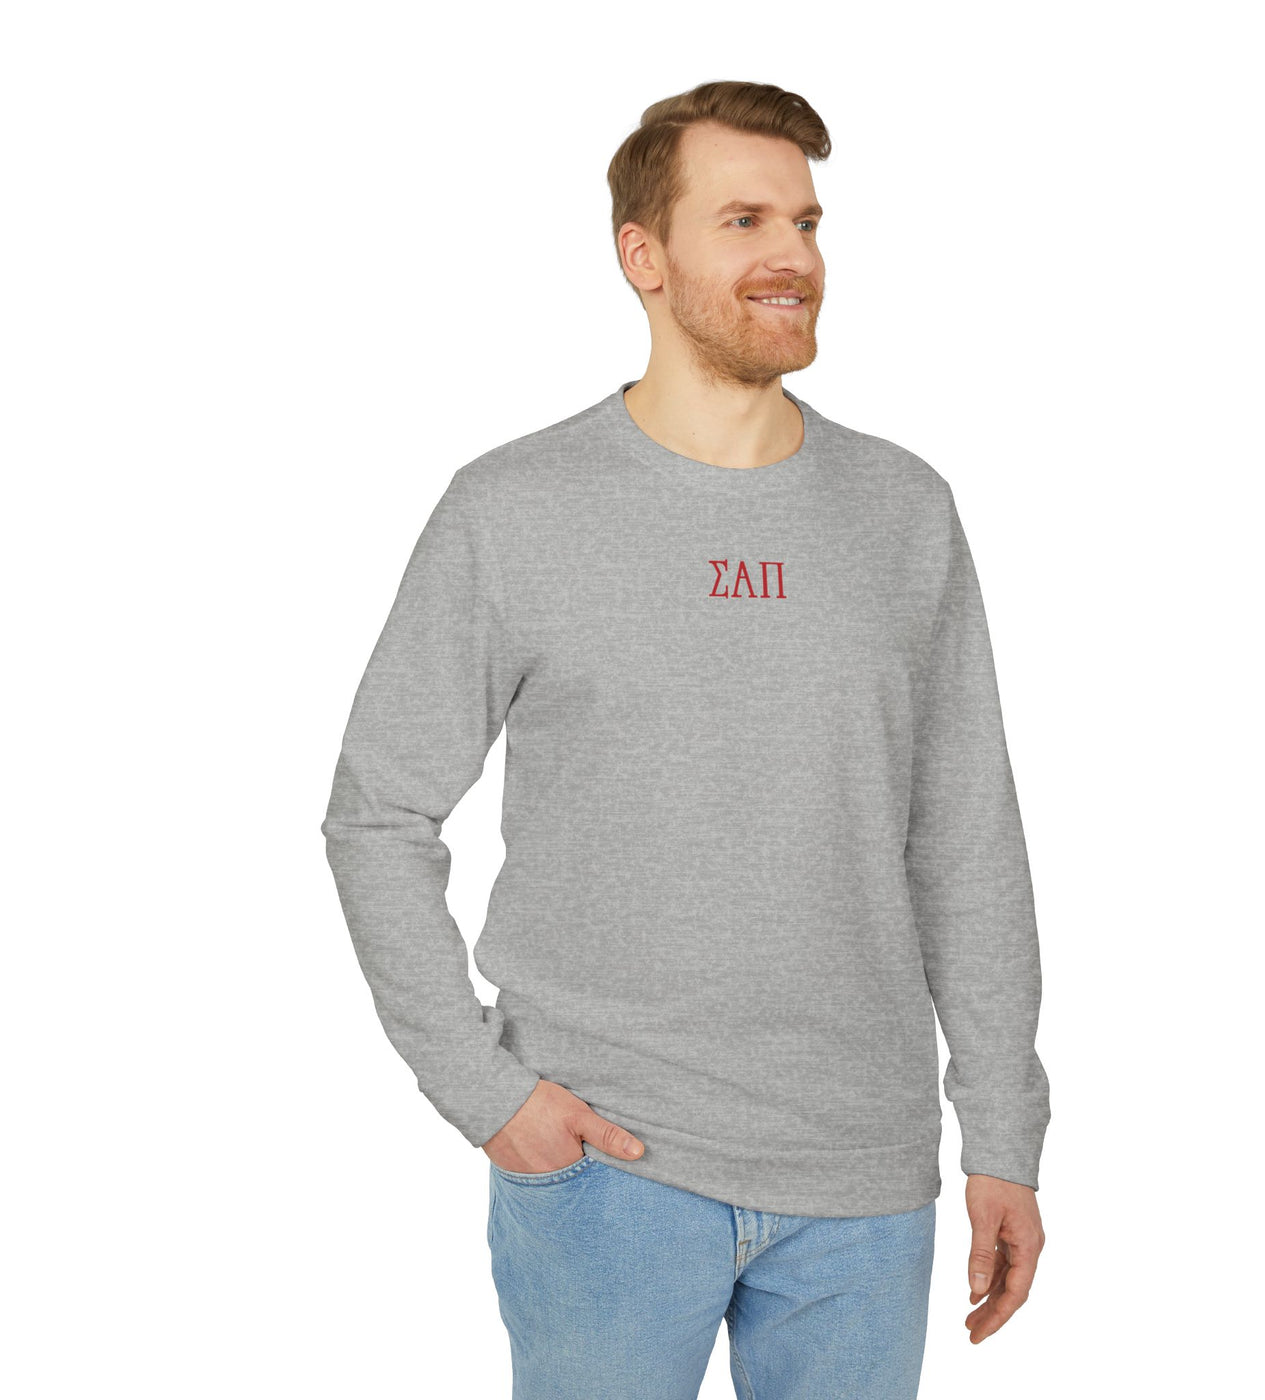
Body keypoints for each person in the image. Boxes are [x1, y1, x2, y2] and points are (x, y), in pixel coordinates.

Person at [321, 79, 1051, 1397]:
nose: (793, 256)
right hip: (608, 1165)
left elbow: (966, 840)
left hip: (865, 1181)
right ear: (643, 257)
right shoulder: (515, 507)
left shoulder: (904, 511)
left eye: (807, 223)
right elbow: (378, 813)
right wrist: (485, 1092)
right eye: (744, 221)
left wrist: (1002, 1132)